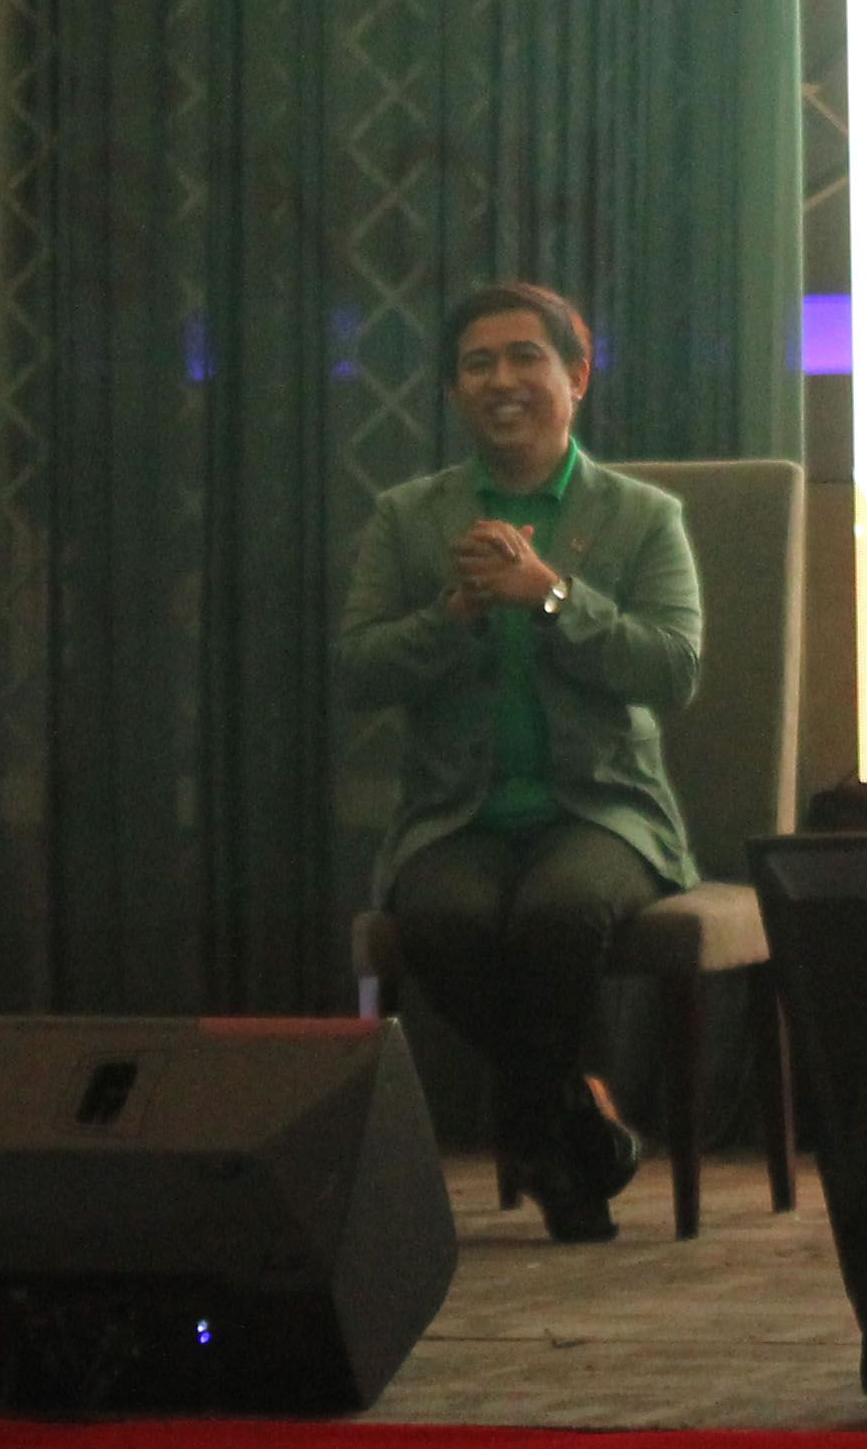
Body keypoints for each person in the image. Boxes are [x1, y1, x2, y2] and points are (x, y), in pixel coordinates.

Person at [337, 280, 703, 1243]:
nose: (502, 380)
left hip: (603, 810)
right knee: (444, 921)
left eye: (526, 358)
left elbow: (674, 669)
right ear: (456, 393)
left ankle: (557, 1163)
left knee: (560, 914)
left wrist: (551, 597)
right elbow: (358, 670)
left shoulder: (640, 516)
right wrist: (450, 619)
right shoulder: (409, 519)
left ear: (576, 377)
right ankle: (580, 1129)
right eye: (477, 364)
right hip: (457, 813)